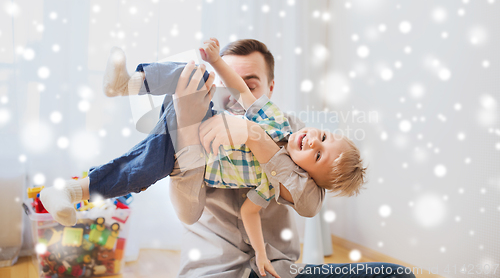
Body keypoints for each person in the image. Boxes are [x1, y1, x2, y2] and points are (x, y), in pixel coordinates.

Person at [41, 39, 415, 278]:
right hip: (197, 164)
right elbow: (233, 89)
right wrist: (216, 65)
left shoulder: (274, 177)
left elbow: (271, 208)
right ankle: (130, 84)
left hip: (201, 176)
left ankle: (76, 190)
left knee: (147, 164)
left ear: (271, 86)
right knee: (195, 77)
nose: (311, 141)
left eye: (316, 154)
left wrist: (262, 254)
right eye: (321, 138)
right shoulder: (273, 120)